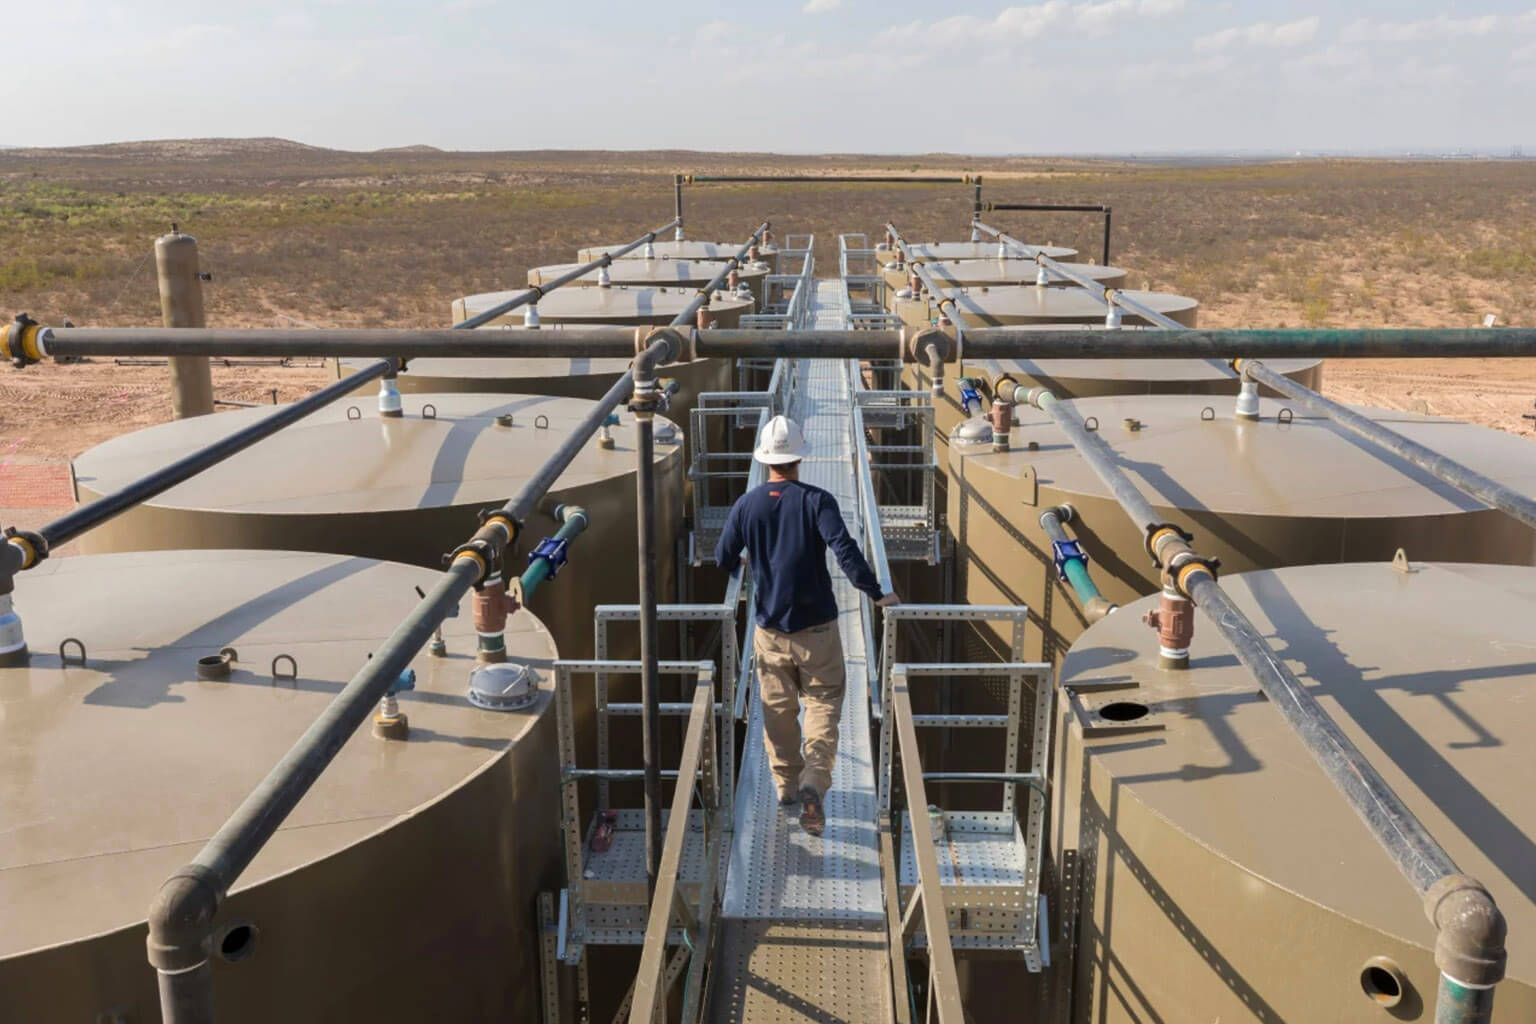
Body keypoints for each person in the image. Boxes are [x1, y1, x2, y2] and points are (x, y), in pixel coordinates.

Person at [715, 415, 899, 837]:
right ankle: (814, 781)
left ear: (765, 460)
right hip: (818, 631)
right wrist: (876, 593)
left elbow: (723, 557)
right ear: (799, 458)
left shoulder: (748, 505)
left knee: (778, 713)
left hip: (771, 632)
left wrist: (744, 562)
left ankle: (786, 787)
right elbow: (845, 549)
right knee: (823, 707)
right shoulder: (818, 501)